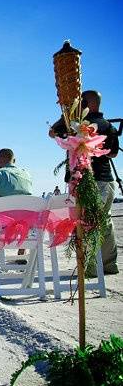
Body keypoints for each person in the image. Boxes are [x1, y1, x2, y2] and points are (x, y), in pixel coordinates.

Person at [49, 90, 119, 274]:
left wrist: (66, 113)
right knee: (105, 221)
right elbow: (113, 153)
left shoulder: (79, 125)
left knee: (88, 222)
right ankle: (109, 264)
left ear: (86, 105)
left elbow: (53, 132)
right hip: (107, 180)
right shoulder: (108, 126)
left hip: (89, 181)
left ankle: (91, 266)